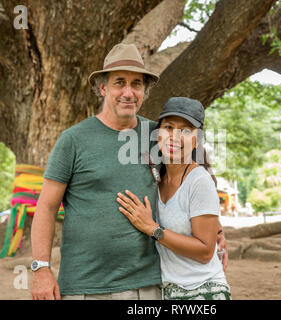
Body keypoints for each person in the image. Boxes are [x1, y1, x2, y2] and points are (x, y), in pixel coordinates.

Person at [30, 43, 227, 300]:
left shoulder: (158, 135)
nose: (128, 92)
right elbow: (46, 206)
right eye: (119, 82)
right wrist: (41, 267)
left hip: (146, 286)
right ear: (103, 88)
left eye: (136, 84)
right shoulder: (73, 140)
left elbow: (187, 179)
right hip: (85, 286)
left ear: (144, 91)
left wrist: (216, 230)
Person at [117, 97, 231, 300]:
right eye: (169, 127)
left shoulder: (199, 180)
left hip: (203, 290)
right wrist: (217, 227)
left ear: (196, 140)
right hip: (169, 292)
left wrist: (153, 229)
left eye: (186, 131)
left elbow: (205, 251)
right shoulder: (156, 178)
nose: (175, 137)